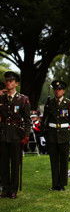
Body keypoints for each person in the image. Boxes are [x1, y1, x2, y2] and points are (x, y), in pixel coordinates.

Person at [41, 80, 70, 191]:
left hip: (64, 135)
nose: (57, 91)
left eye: (59, 89)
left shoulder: (69, 103)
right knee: (54, 161)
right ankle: (55, 184)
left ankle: (62, 184)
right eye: (55, 89)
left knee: (63, 161)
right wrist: (43, 134)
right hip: (52, 135)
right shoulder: (49, 103)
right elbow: (44, 120)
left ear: (63, 91)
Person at [0, 71, 31, 199]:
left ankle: (13, 190)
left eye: (11, 81)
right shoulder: (1, 98)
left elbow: (27, 120)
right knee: (3, 163)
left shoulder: (23, 99)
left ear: (16, 83)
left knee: (15, 163)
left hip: (16, 135)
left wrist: (26, 136)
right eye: (7, 80)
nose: (8, 83)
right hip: (3, 134)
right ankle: (5, 189)